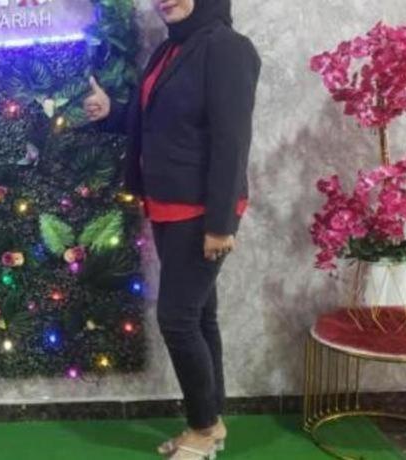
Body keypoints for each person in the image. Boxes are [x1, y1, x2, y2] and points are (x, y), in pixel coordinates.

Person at [84, 0, 260, 458]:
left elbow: (232, 142)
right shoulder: (170, 49)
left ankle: (202, 429)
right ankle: (211, 420)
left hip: (202, 211)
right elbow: (156, 121)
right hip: (166, 204)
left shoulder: (228, 48)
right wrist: (112, 112)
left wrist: (220, 223)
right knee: (199, 315)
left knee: (178, 320)